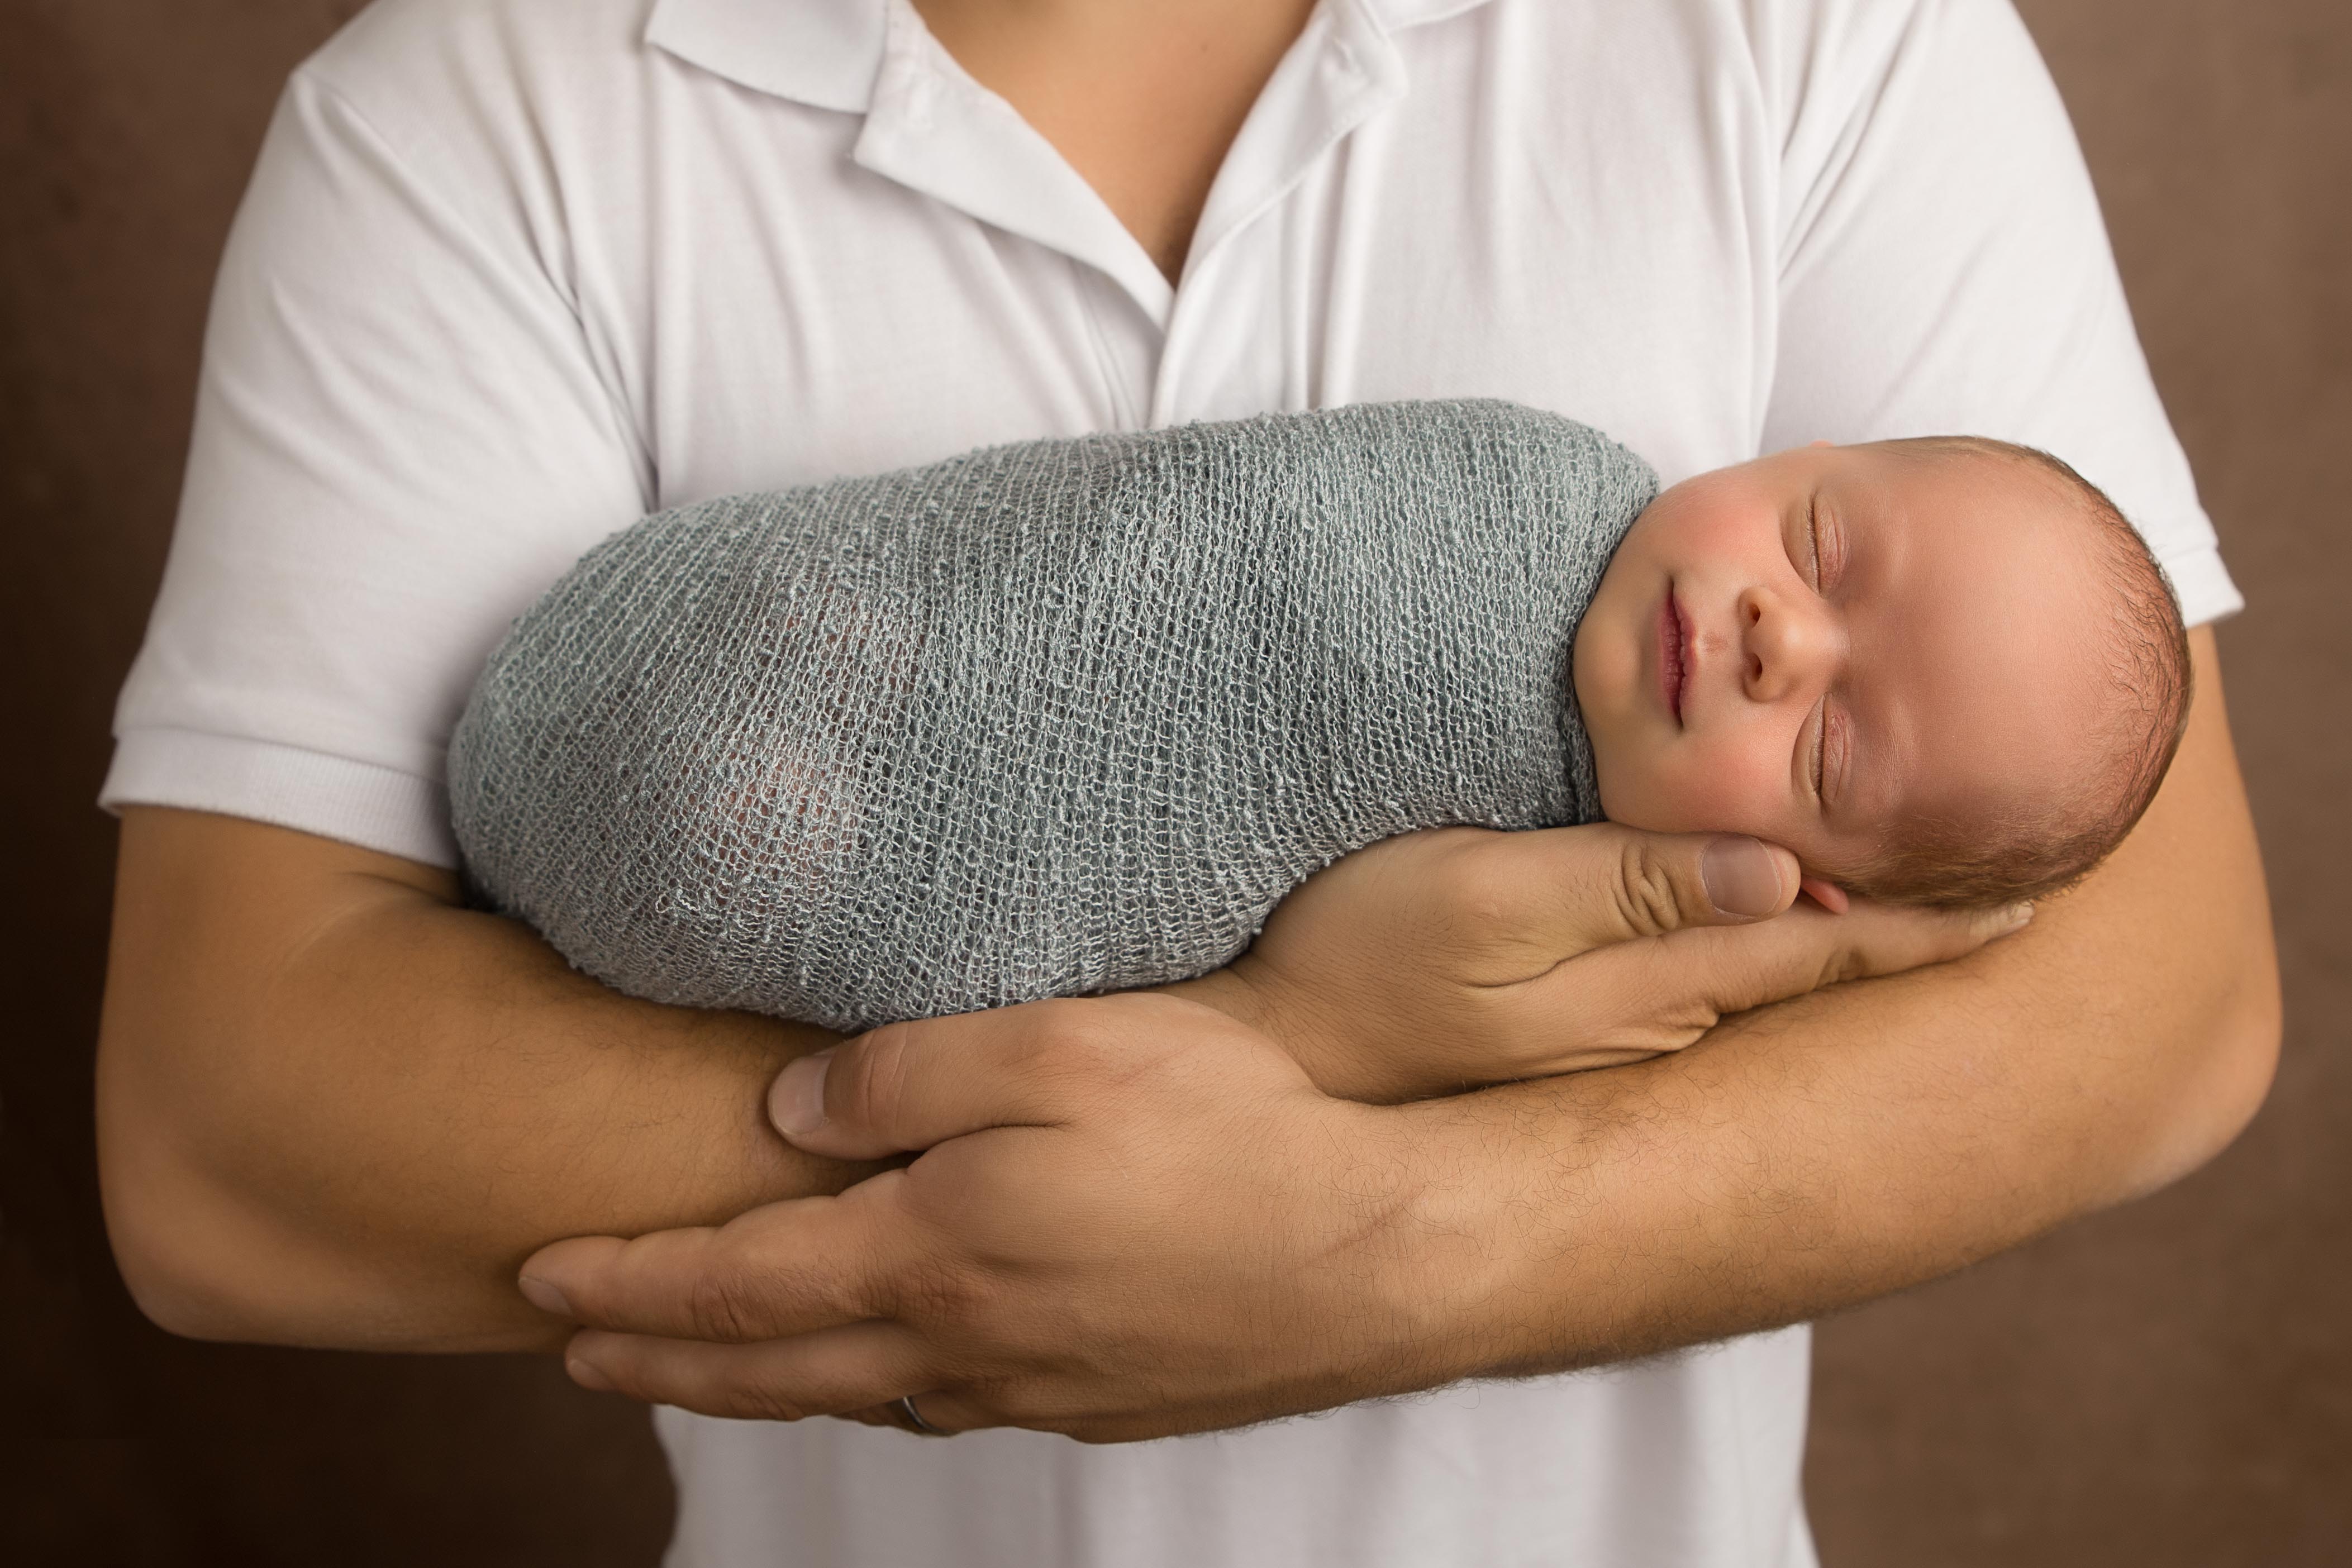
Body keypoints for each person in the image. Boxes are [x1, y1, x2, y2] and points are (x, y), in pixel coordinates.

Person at [93, 1, 2278, 1565]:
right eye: (1807, 552)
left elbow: (2158, 997)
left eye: (1839, 721)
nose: (1784, 627)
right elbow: (232, 1148)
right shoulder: (484, 112)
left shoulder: (1812, 40)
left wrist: (1395, 1246)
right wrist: (1268, 1059)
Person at [450, 407, 2189, 1081]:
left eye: (1826, 755)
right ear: (1810, 450)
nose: (1771, 635)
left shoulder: (1614, 978)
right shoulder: (1527, 479)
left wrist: (1297, 1028)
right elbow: (1146, 536)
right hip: (824, 639)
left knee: (796, 827)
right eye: (1815, 547)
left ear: (1806, 896)